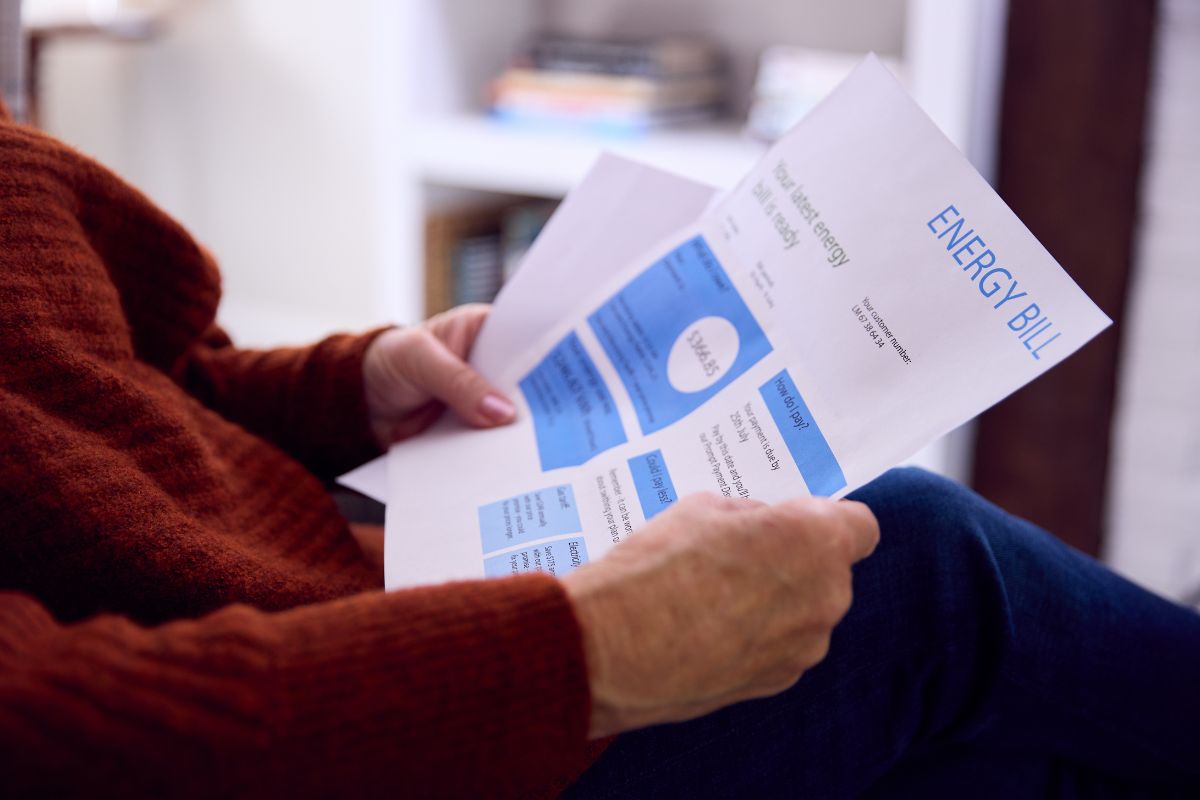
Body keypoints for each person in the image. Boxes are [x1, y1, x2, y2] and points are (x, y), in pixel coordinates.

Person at [0, 110, 1196, 800]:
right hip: (356, 715)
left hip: (366, 571)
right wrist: (584, 652)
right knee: (914, 567)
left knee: (995, 757)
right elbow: (47, 732)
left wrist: (344, 385)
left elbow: (132, 380)